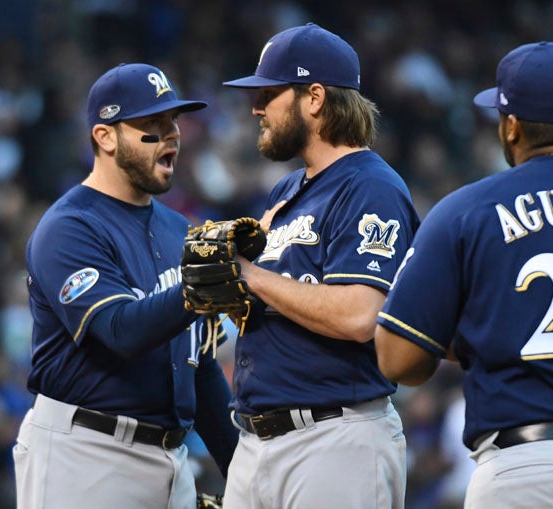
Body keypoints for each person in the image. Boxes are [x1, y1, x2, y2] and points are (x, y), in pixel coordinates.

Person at [375, 41, 553, 508]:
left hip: (532, 469)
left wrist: (491, 330)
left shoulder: (466, 209)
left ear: (511, 126)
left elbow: (398, 359)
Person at [12, 63, 238, 509]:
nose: (171, 133)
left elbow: (200, 364)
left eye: (173, 121)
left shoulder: (179, 229)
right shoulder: (70, 227)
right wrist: (199, 284)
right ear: (106, 137)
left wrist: (244, 470)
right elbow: (121, 331)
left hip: (170, 460)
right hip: (85, 455)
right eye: (152, 125)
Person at [221, 23, 420, 509]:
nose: (256, 107)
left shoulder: (371, 187)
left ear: (314, 98)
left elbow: (359, 316)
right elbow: (267, 315)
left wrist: (249, 274)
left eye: (269, 93)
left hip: (334, 439)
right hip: (256, 440)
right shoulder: (285, 192)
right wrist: (226, 289)